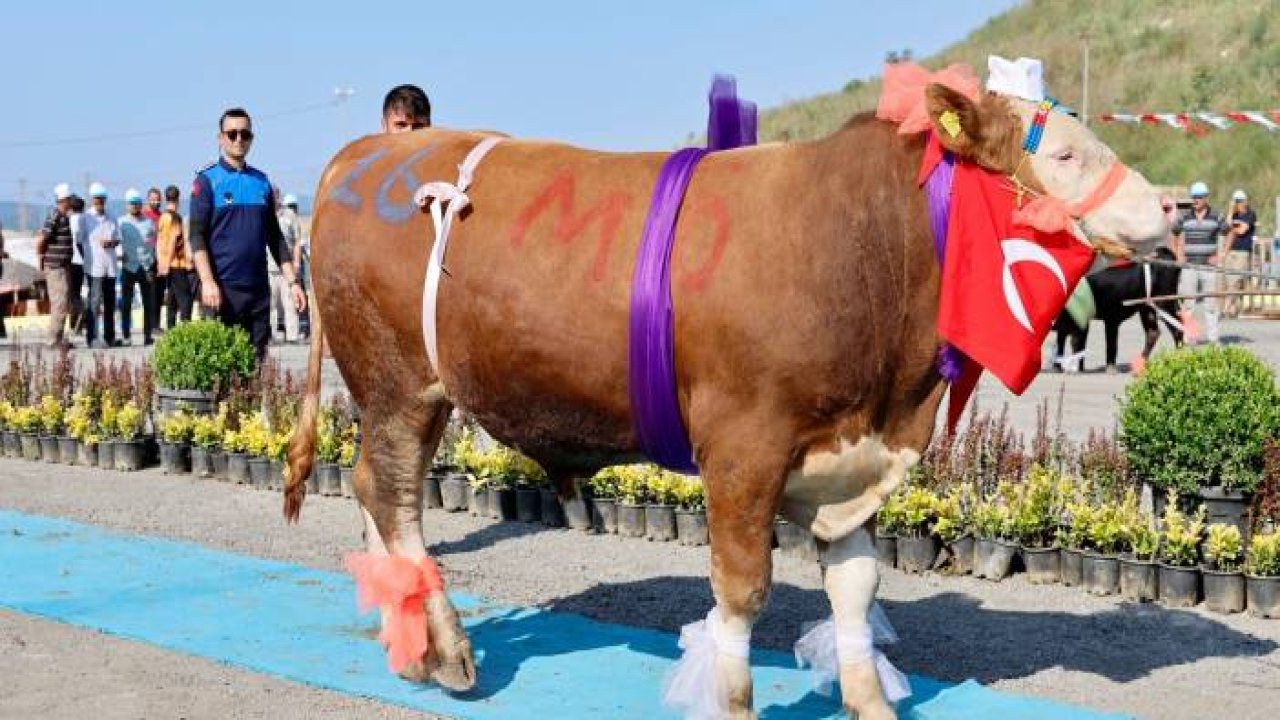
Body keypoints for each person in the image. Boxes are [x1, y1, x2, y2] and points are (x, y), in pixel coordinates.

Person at [189, 107, 306, 361]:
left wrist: (293, 282)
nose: (238, 139)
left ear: (252, 138)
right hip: (221, 289)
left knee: (254, 368)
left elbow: (275, 238)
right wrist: (207, 281)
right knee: (222, 366)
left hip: (257, 291)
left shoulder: (262, 182)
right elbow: (196, 236)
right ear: (221, 138)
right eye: (232, 134)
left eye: (245, 134)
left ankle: (248, 403)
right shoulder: (207, 181)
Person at [1171, 180, 1227, 345]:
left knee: (1210, 304)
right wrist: (1177, 254)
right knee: (1188, 304)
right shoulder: (1185, 217)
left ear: (1205, 198)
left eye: (1199, 197)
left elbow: (1229, 232)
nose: (1196, 200)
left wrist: (1222, 254)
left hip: (1209, 267)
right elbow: (1174, 232)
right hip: (1189, 267)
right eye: (1194, 197)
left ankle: (1213, 338)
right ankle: (1189, 337)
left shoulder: (1216, 216)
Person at [37, 183, 76, 349]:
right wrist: (40, 256)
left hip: (63, 265)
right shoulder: (54, 216)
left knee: (63, 302)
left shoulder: (64, 217)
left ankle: (59, 337)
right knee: (59, 303)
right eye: (69, 200)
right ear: (64, 200)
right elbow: (42, 238)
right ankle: (53, 339)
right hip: (55, 266)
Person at [83, 182, 120, 348]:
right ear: (92, 199)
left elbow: (118, 238)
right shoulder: (86, 218)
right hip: (94, 266)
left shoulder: (112, 216)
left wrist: (112, 243)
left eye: (102, 199)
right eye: (97, 199)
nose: (100, 202)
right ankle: (92, 338)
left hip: (110, 266)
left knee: (110, 303)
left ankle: (110, 337)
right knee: (94, 303)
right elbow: (79, 241)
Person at [119, 188, 158, 345]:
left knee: (148, 304)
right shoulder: (121, 222)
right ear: (127, 205)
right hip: (128, 266)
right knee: (126, 304)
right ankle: (126, 335)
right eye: (132, 203)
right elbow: (116, 241)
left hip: (145, 266)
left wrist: (153, 263)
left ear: (141, 205)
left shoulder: (149, 223)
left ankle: (147, 335)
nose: (134, 206)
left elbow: (155, 243)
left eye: (137, 203)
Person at [157, 185, 196, 324]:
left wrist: (161, 263)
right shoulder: (175, 218)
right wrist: (167, 264)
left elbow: (160, 241)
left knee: (172, 298)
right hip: (177, 263)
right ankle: (186, 326)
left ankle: (171, 328)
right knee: (185, 298)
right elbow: (174, 240)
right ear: (178, 199)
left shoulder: (162, 217)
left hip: (166, 263)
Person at [1222, 189, 1257, 319]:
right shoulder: (1233, 214)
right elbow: (1225, 227)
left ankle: (1228, 307)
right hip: (1231, 250)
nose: (1238, 204)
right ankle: (1233, 307)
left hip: (1243, 250)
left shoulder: (1250, 214)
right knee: (1230, 279)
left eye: (1240, 201)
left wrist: (1233, 227)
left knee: (1237, 279)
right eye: (1236, 201)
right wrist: (1231, 213)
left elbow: (1242, 230)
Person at [273, 192, 303, 342]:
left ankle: (292, 336)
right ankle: (271, 335)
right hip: (267, 269)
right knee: (271, 305)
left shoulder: (289, 216)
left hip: (287, 268)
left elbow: (297, 241)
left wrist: (297, 262)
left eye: (274, 195)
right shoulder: (262, 213)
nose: (273, 198)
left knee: (290, 303)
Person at [144, 187, 168, 331]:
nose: (156, 201)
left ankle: (156, 325)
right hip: (149, 257)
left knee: (159, 292)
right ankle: (150, 325)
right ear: (148, 199)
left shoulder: (162, 216)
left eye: (158, 199)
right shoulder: (144, 216)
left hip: (161, 257)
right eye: (153, 198)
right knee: (150, 293)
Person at [67, 195, 88, 336]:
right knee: (77, 292)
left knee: (72, 294)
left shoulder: (69, 220)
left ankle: (78, 319)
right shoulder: (85, 220)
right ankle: (77, 323)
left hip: (72, 260)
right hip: (81, 261)